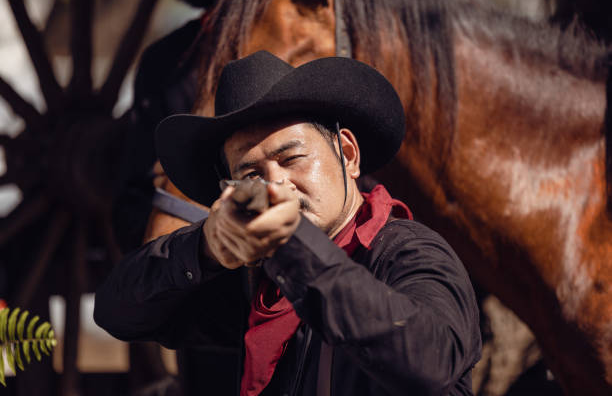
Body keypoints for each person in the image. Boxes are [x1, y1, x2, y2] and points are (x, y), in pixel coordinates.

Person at [94, 50, 481, 396]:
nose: (275, 183)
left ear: (347, 154)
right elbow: (118, 312)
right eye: (250, 175)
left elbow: (432, 364)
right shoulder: (261, 280)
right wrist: (206, 247)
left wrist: (293, 245)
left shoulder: (410, 252)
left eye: (291, 158)